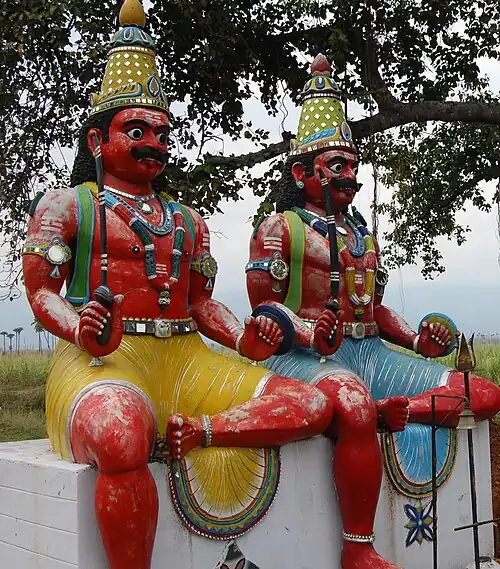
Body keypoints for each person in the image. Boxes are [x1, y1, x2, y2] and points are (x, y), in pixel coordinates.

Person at [21, 4, 342, 567]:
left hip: (186, 356)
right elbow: (42, 291)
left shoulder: (189, 220)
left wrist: (242, 338)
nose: (154, 142)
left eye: (162, 133)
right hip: (105, 358)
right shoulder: (67, 206)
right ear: (97, 140)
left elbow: (199, 303)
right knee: (121, 437)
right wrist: (81, 328)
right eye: (136, 131)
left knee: (311, 403)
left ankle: (201, 431)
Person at [246, 52, 500, 561]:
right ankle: (358, 549)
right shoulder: (279, 229)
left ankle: (394, 413)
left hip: (369, 354)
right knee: (352, 401)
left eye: (353, 166)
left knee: (484, 393)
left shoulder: (363, 236)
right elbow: (264, 309)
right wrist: (309, 331)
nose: (350, 176)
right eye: (336, 166)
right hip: (304, 357)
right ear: (301, 172)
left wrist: (416, 340)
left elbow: (374, 309)